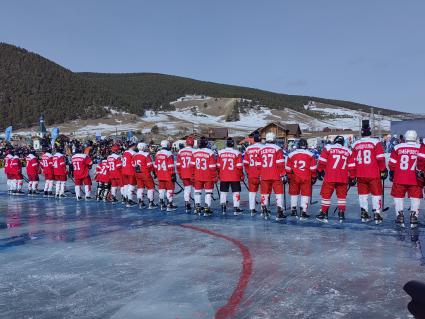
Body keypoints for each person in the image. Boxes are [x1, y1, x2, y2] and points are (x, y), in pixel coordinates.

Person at [351, 123, 388, 223]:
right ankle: (377, 213)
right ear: (370, 132)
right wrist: (383, 170)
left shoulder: (355, 144)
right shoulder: (375, 142)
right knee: (376, 194)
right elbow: (380, 158)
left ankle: (364, 213)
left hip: (360, 173)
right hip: (373, 173)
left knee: (362, 194)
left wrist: (352, 175)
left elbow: (352, 161)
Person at [316, 135, 356, 223]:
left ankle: (324, 213)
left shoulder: (328, 148)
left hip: (330, 176)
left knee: (326, 195)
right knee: (342, 197)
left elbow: (322, 161)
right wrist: (352, 177)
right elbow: (352, 166)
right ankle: (341, 214)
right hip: (343, 177)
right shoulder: (348, 151)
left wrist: (319, 171)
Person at [389, 130, 422, 228]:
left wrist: (392, 173)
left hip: (400, 177)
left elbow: (392, 163)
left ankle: (400, 216)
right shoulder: (421, 148)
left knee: (398, 197)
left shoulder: (397, 147)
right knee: (415, 198)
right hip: (416, 178)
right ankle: (414, 217)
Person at [258, 132, 287, 220]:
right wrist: (283, 174)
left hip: (264, 174)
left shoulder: (260, 149)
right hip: (276, 175)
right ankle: (279, 211)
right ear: (274, 139)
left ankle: (264, 209)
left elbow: (258, 164)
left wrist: (260, 174)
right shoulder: (278, 149)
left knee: (264, 193)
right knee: (279, 193)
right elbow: (280, 164)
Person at [285, 138, 317, 220]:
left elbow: (288, 168)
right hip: (306, 177)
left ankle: (293, 210)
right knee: (305, 194)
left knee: (294, 194)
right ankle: (303, 212)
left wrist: (288, 176)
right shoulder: (310, 154)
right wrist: (313, 177)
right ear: (306, 145)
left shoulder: (291, 154)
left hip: (294, 177)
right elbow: (313, 168)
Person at [217, 137, 244, 215]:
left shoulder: (220, 152)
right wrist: (241, 175)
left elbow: (218, 165)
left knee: (223, 192)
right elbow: (239, 166)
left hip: (223, 175)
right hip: (234, 176)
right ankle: (236, 208)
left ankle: (223, 208)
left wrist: (219, 174)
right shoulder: (237, 153)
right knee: (236, 192)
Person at [192, 136, 217, 216]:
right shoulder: (210, 152)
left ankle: (197, 207)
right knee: (208, 192)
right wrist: (214, 176)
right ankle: (207, 208)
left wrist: (192, 175)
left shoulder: (194, 152)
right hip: (208, 175)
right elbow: (212, 166)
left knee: (197, 192)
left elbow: (192, 165)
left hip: (197, 175)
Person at [243, 131, 263, 216]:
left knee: (252, 192)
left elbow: (246, 162)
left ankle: (252, 209)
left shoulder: (248, 149)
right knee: (264, 192)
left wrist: (248, 172)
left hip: (252, 173)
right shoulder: (263, 148)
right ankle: (263, 208)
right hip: (262, 173)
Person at [154, 140, 177, 211]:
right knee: (170, 189)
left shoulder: (157, 153)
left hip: (160, 174)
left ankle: (162, 203)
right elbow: (170, 165)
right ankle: (169, 204)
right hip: (167, 174)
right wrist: (173, 174)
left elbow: (155, 165)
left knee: (161, 189)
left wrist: (156, 173)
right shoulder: (169, 153)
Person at [133, 142, 157, 209]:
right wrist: (153, 172)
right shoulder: (146, 155)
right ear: (143, 147)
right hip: (145, 173)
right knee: (150, 188)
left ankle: (140, 202)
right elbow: (150, 165)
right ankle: (151, 203)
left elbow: (133, 165)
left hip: (137, 174)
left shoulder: (135, 155)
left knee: (140, 188)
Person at [176, 136, 195, 212]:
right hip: (192, 173)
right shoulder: (194, 151)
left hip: (184, 172)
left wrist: (180, 173)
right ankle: (196, 203)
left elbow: (178, 165)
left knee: (187, 189)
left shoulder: (180, 151)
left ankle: (187, 203)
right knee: (194, 189)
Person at [121, 143, 137, 207]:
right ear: (133, 146)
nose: (136, 147)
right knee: (131, 185)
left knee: (126, 185)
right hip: (130, 171)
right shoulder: (133, 153)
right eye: (135, 146)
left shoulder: (125, 152)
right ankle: (129, 201)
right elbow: (135, 163)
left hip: (124, 170)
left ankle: (125, 198)